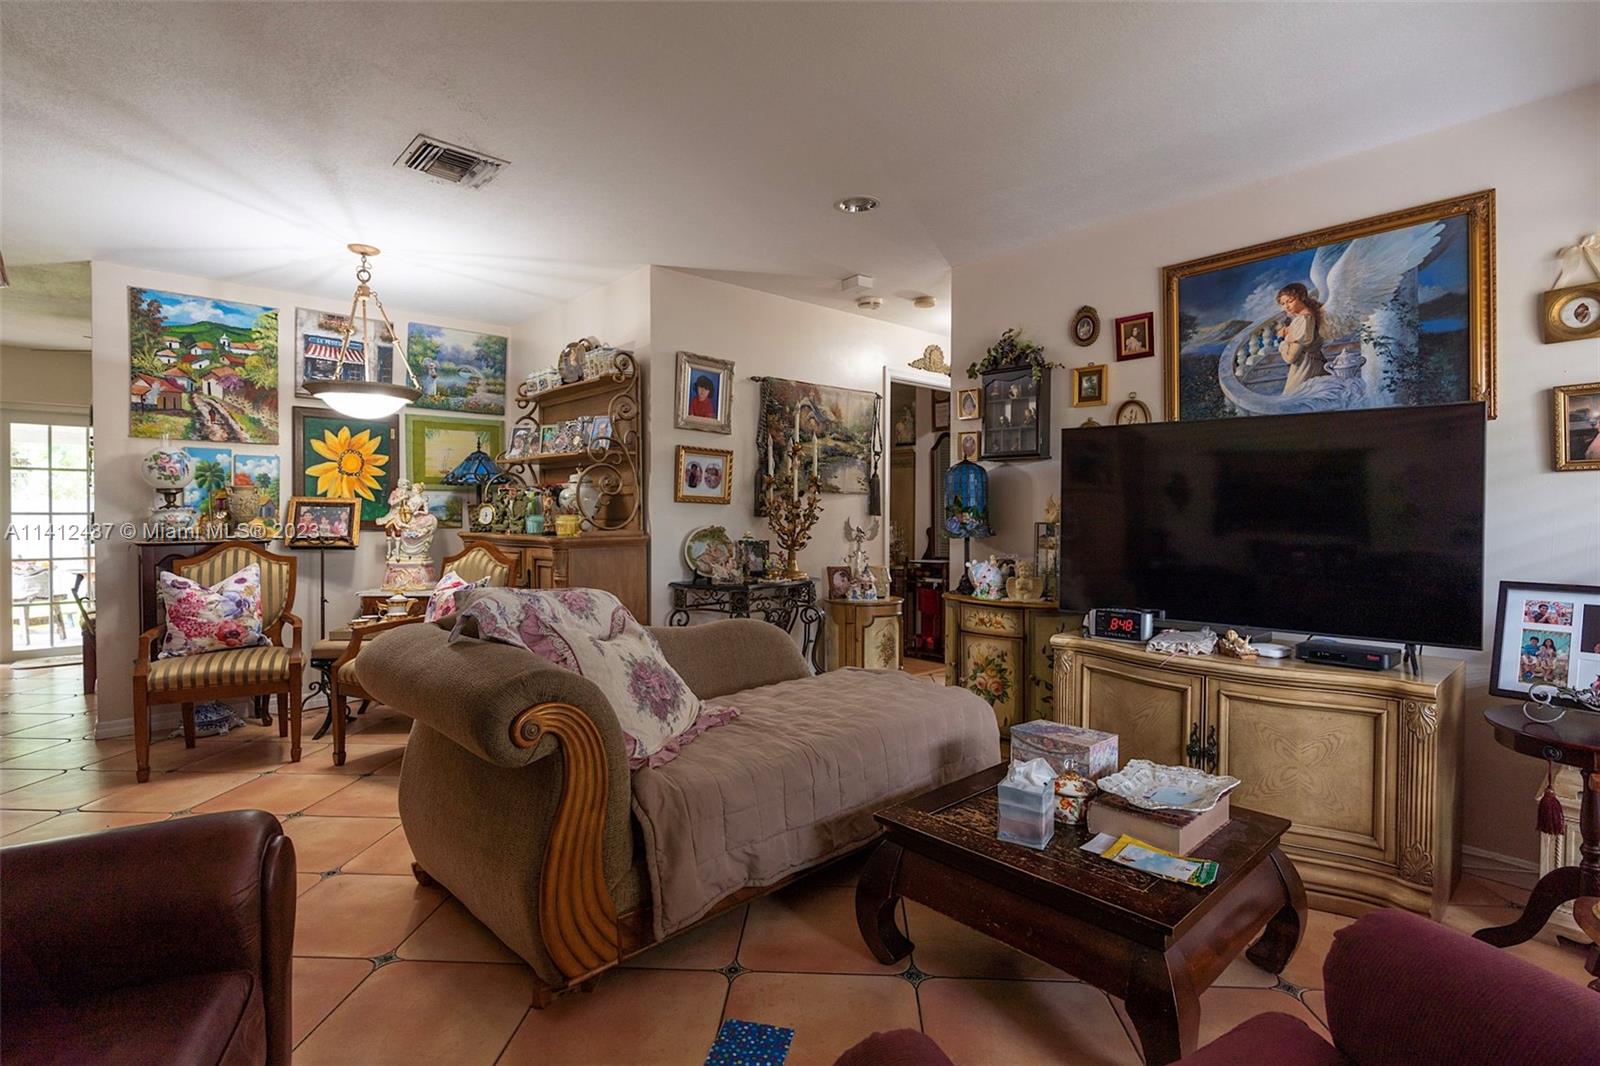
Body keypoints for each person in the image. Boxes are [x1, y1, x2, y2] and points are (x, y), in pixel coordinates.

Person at [1275, 282, 1328, 396]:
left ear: (1302, 298)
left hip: (1304, 368)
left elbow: (1290, 358)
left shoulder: (1303, 320)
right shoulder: (1310, 316)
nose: (1286, 307)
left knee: (1293, 398)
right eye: (1283, 303)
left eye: (1290, 301)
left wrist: (1281, 340)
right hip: (1316, 363)